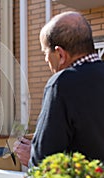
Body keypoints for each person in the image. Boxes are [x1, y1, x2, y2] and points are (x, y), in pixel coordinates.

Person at [13, 11, 104, 167]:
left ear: (60, 54)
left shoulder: (61, 84)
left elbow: (44, 160)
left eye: (45, 53)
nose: (46, 60)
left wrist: (31, 155)